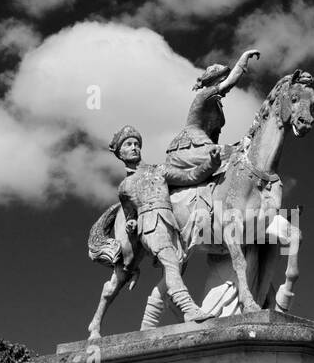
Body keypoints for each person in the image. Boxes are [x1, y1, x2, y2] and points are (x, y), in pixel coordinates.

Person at [109, 124, 205, 323]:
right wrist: (132, 224)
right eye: (129, 144)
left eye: (136, 144)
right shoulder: (124, 187)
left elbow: (190, 176)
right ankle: (189, 309)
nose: (134, 147)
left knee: (175, 266)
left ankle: (148, 322)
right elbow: (130, 216)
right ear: (120, 152)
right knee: (171, 265)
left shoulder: (158, 170)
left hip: (170, 224)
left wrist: (210, 164)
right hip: (151, 227)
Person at [164, 49, 260, 187]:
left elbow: (213, 139)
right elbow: (231, 81)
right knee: (238, 154)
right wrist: (244, 58)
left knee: (239, 152)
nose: (224, 84)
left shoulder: (217, 105)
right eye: (221, 80)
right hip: (189, 147)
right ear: (215, 81)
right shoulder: (204, 96)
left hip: (204, 146)